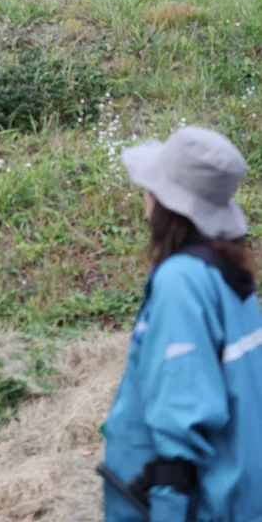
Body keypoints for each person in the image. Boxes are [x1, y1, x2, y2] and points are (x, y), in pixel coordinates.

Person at [102, 126, 262, 522]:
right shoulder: (229, 276)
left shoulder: (182, 281)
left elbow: (182, 418)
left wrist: (168, 509)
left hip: (181, 505)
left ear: (167, 201)